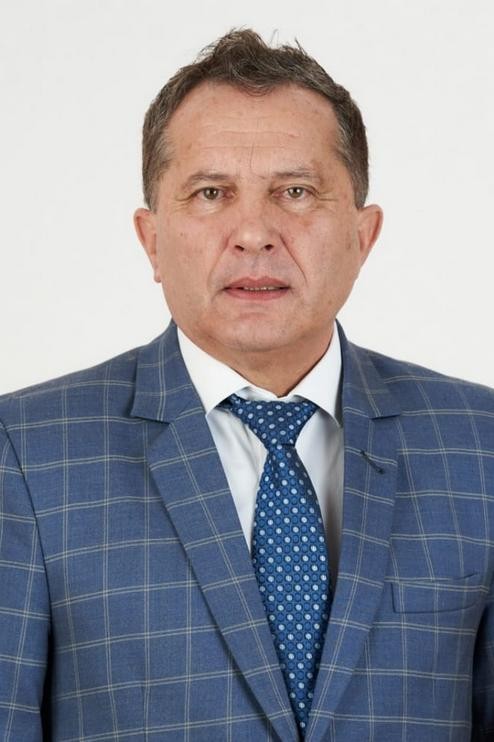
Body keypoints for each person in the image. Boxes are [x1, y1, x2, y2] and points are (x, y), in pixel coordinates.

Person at [0, 28, 493, 742]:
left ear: (363, 236)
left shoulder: (479, 444)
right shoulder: (25, 454)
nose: (254, 232)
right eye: (211, 193)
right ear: (151, 240)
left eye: (296, 192)